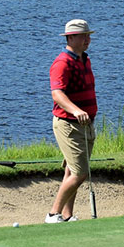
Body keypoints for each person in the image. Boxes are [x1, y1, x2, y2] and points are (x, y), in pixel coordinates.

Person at [47, 18, 98, 223]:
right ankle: (53, 214)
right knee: (80, 172)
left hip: (85, 124)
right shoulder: (62, 63)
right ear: (70, 38)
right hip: (69, 124)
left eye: (88, 36)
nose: (87, 40)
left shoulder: (84, 59)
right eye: (82, 36)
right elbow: (57, 94)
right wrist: (76, 111)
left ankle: (67, 215)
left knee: (71, 170)